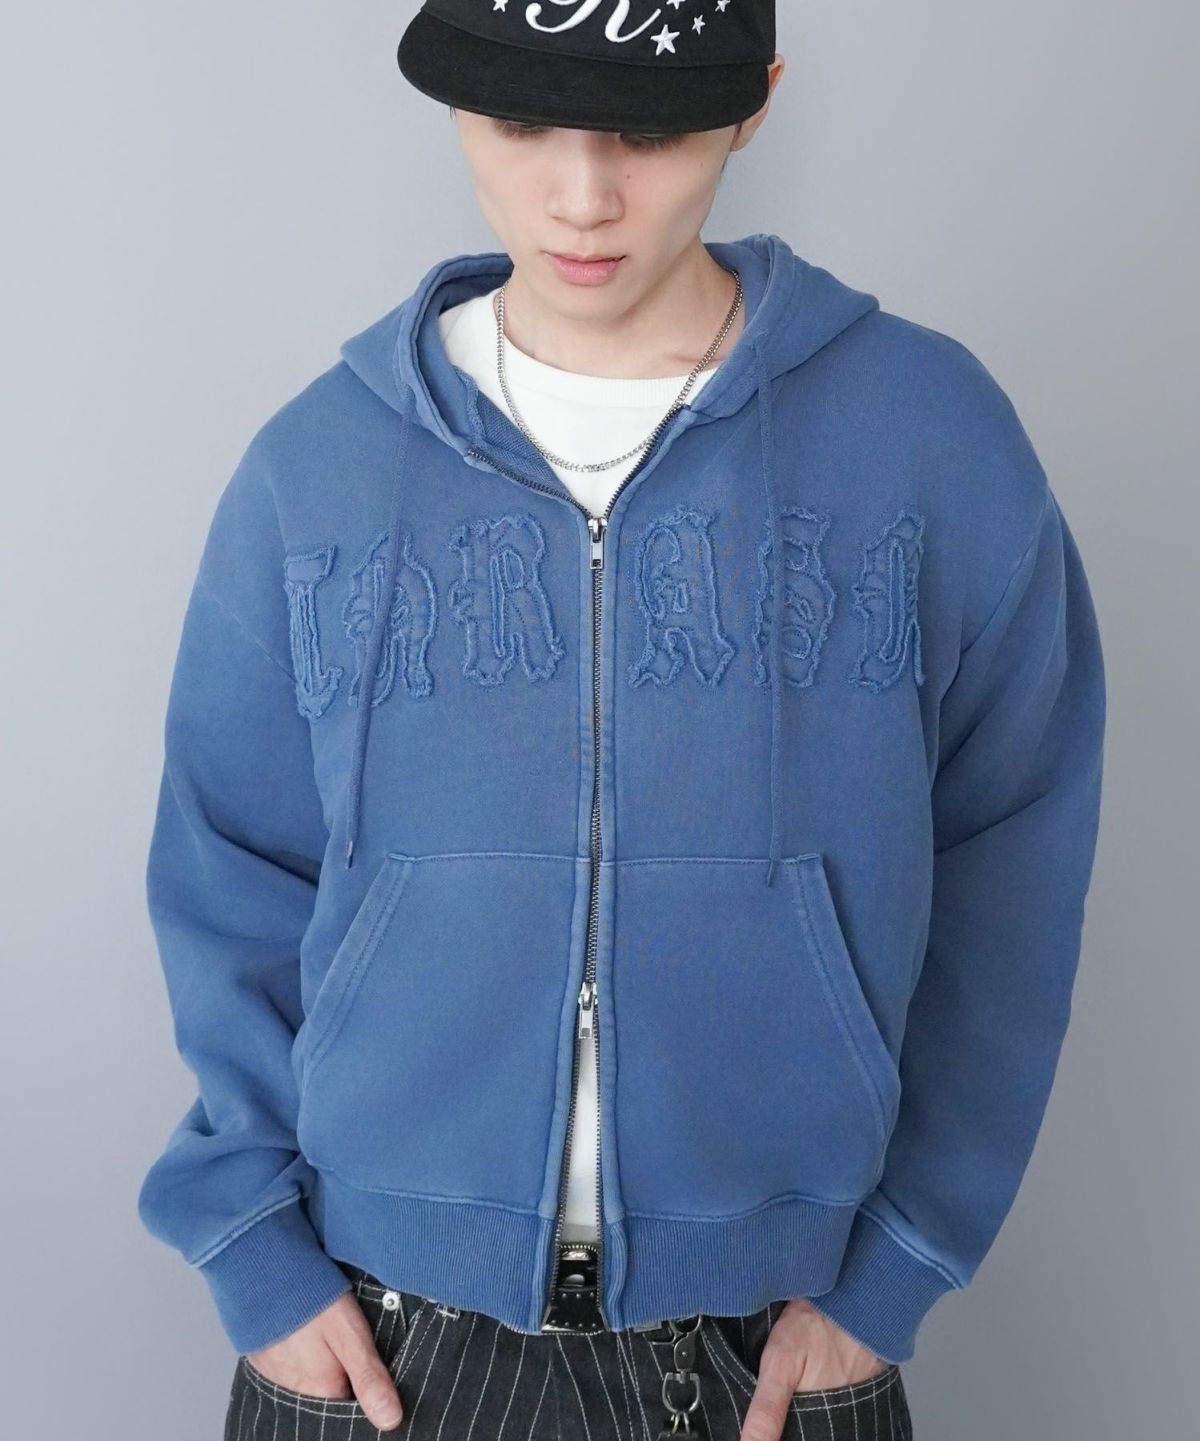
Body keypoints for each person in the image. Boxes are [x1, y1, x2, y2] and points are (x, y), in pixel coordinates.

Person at [137, 3, 1107, 1439]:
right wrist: (255, 1257)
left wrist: (900, 1263)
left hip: (771, 1353)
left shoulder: (929, 439)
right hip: (375, 1342)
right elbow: (227, 873)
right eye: (523, 122)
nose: (582, 196)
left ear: (754, 102)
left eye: (645, 133)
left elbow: (1012, 868)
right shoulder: (318, 466)